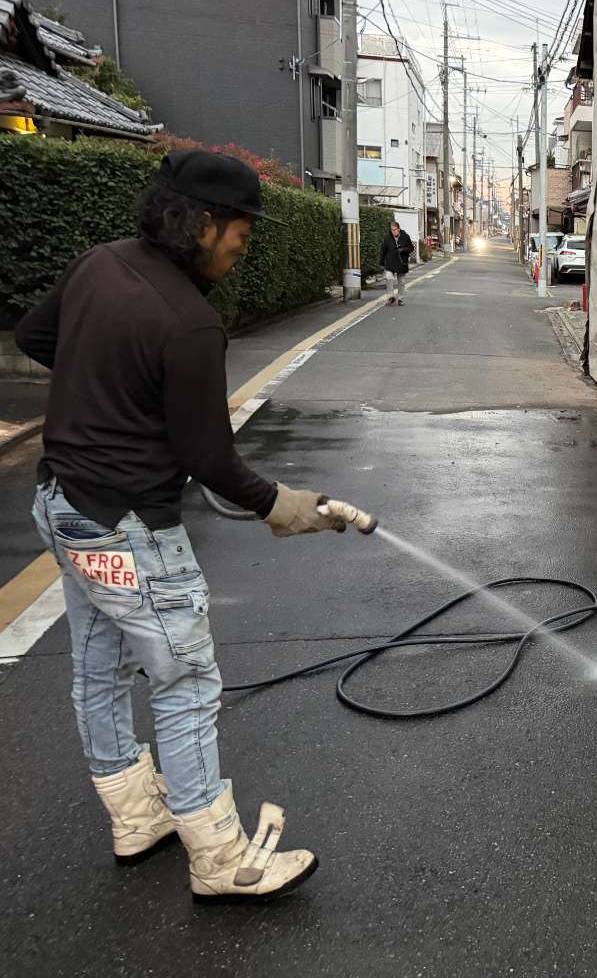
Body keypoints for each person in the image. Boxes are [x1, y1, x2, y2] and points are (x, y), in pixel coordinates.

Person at [16, 150, 361, 903]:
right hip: (131, 528)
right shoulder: (189, 322)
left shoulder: (100, 264)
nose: (244, 246)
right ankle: (220, 856)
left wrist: (107, 398)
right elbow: (210, 458)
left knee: (100, 668)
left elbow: (37, 339)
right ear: (202, 223)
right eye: (242, 231)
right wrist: (284, 506)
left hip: (65, 508)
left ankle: (136, 816)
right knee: (186, 679)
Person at [380, 220, 414, 306]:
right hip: (390, 262)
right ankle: (391, 297)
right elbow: (383, 250)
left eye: (395, 229)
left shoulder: (405, 236)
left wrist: (403, 250)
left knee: (401, 282)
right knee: (388, 277)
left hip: (401, 262)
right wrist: (382, 262)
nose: (393, 231)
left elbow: (411, 248)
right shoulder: (387, 237)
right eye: (392, 230)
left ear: (398, 229)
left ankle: (400, 299)